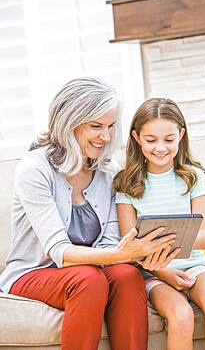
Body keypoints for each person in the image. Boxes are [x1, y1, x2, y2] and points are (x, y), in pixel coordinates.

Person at [0, 80, 178, 350]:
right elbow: (59, 251)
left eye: (110, 126)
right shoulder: (35, 169)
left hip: (91, 270)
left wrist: (137, 255)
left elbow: (108, 244)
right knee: (89, 278)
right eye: (96, 126)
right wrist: (123, 254)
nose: (105, 137)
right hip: (33, 273)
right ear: (69, 123)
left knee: (127, 276)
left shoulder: (107, 171)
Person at [113, 98, 205, 350]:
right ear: (136, 137)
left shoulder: (192, 177)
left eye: (169, 140)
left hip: (196, 267)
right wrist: (163, 270)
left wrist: (160, 242)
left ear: (181, 135)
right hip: (154, 274)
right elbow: (129, 248)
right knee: (181, 316)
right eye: (151, 140)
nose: (160, 148)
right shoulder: (126, 183)